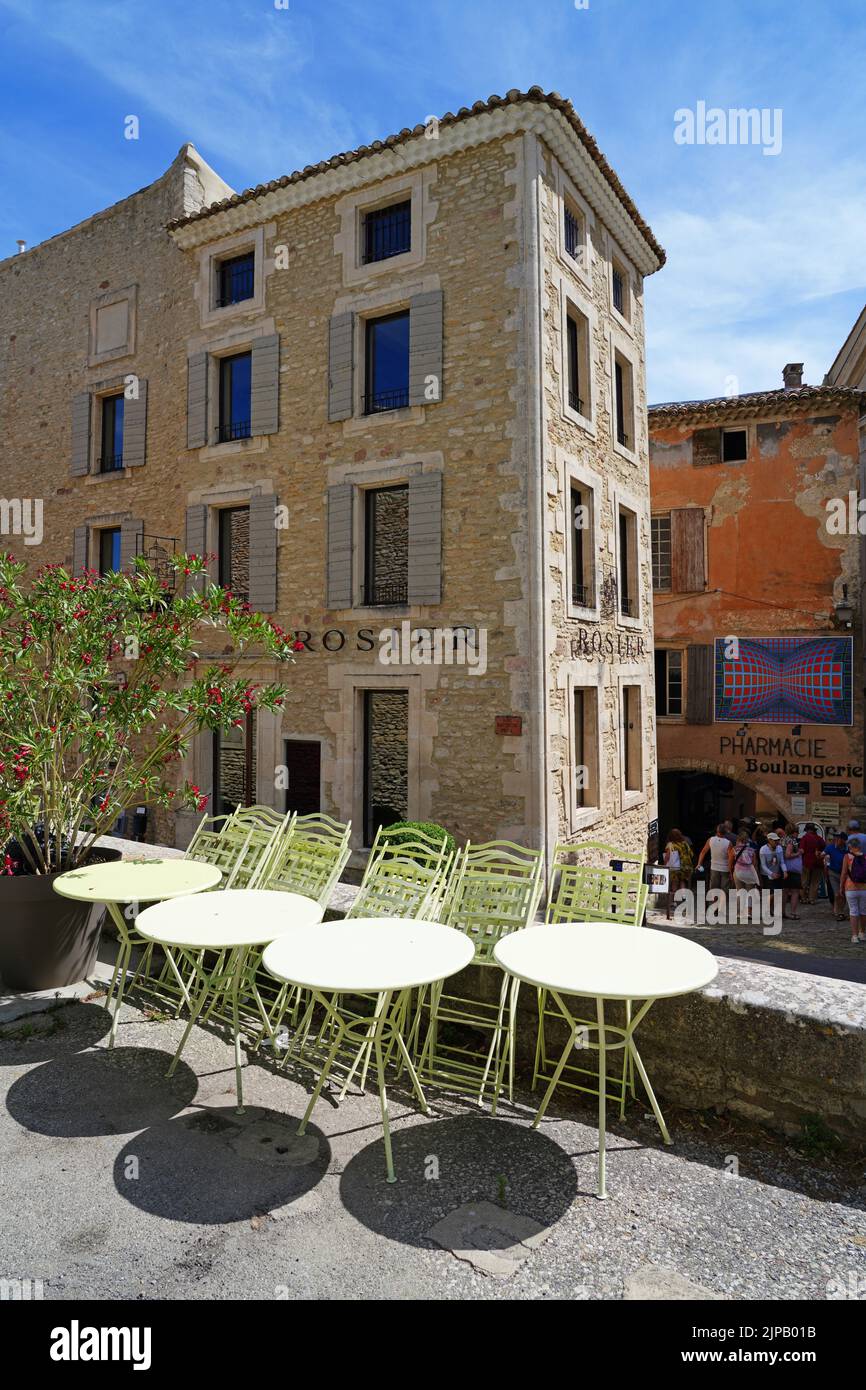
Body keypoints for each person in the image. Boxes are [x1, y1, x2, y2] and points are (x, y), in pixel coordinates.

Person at [839, 835, 866, 944]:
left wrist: (841, 886)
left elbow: (844, 873)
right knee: (863, 911)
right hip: (864, 888)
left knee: (853, 911)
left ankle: (854, 936)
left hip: (850, 887)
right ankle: (862, 933)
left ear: (850, 846)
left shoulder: (847, 856)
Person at [697, 823, 732, 891]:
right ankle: (722, 901)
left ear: (717, 830)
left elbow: (703, 852)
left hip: (714, 867)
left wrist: (699, 863)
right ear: (725, 832)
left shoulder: (710, 840)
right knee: (724, 889)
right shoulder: (728, 843)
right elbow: (730, 858)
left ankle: (714, 901)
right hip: (725, 868)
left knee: (714, 888)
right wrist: (731, 870)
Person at [799, 822, 826, 906]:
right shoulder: (819, 838)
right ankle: (812, 899)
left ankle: (803, 898)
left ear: (807, 830)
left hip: (806, 862)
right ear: (814, 830)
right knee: (815, 882)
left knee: (804, 881)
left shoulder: (805, 838)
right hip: (818, 862)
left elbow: (801, 850)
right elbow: (825, 848)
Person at [823, 831, 848, 922]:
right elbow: (822, 854)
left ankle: (840, 909)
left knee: (844, 894)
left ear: (843, 840)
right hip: (833, 873)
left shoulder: (847, 848)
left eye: (838, 837)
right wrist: (820, 855)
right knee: (837, 894)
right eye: (835, 837)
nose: (835, 839)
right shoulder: (830, 847)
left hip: (845, 874)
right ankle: (840, 912)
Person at [780, 822, 803, 920]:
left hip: (784, 868)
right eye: (797, 832)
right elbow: (788, 855)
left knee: (784, 891)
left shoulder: (783, 839)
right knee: (795, 891)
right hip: (792, 870)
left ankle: (782, 912)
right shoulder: (791, 841)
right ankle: (793, 912)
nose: (798, 834)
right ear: (793, 832)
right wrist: (798, 853)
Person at [663, 828, 687, 920]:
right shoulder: (684, 843)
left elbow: (668, 856)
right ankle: (684, 895)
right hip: (683, 865)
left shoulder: (670, 844)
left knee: (674, 882)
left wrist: (664, 864)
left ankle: (674, 901)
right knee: (682, 880)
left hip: (674, 867)